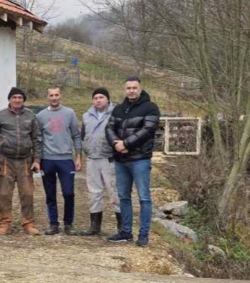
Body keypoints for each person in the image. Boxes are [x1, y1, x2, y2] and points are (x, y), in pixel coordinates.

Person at [105, 77, 161, 246]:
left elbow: (147, 130)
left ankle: (143, 235)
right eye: (128, 88)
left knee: (144, 197)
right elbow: (109, 128)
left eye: (134, 87)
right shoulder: (119, 109)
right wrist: (116, 144)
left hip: (140, 159)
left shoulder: (150, 108)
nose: (131, 90)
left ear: (140, 88)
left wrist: (126, 144)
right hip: (121, 159)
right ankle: (126, 231)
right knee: (123, 197)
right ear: (125, 89)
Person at [0, 87, 41, 236]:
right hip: (5, 160)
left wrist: (37, 160)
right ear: (9, 99)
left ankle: (28, 223)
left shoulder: (31, 116)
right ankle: (4, 223)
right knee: (4, 194)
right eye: (14, 97)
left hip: (25, 161)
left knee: (27, 194)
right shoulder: (0, 116)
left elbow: (37, 139)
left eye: (20, 98)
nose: (17, 100)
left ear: (23, 100)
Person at [34, 86, 82, 235]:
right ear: (47, 97)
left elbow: (76, 135)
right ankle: (53, 223)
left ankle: (68, 223)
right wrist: (37, 159)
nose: (54, 98)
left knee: (68, 193)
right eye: (51, 95)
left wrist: (78, 156)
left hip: (65, 159)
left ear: (60, 96)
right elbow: (37, 139)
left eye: (56, 95)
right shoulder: (40, 116)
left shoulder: (69, 113)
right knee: (50, 194)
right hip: (47, 159)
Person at [79, 87, 119, 236]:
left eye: (101, 97)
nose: (98, 100)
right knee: (94, 192)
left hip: (109, 159)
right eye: (95, 98)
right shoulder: (86, 116)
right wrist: (85, 148)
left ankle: (122, 228)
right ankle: (95, 226)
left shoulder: (116, 114)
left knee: (115, 192)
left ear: (107, 99)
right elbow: (83, 135)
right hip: (92, 159)